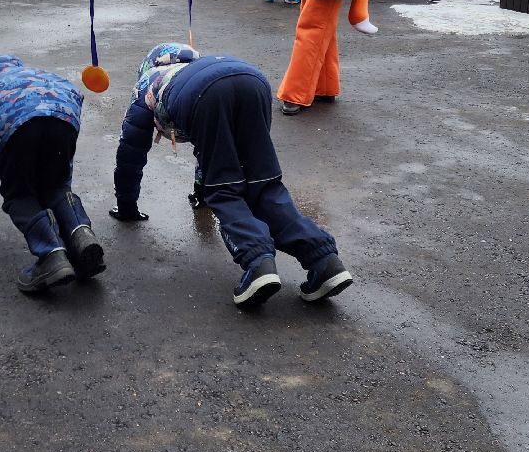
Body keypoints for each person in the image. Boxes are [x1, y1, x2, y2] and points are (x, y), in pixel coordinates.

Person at [110, 43, 352, 308]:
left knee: (224, 189)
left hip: (206, 96)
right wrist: (201, 188)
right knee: (264, 184)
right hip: (253, 80)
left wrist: (127, 204)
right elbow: (212, 151)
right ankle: (324, 260)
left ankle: (258, 261)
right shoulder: (197, 67)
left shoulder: (149, 82)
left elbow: (130, 151)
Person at [0, 55, 105, 294]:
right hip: (64, 116)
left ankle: (51, 256)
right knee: (55, 187)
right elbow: (59, 177)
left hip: (15, 129)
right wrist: (60, 184)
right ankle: (81, 235)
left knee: (19, 195)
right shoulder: (41, 77)